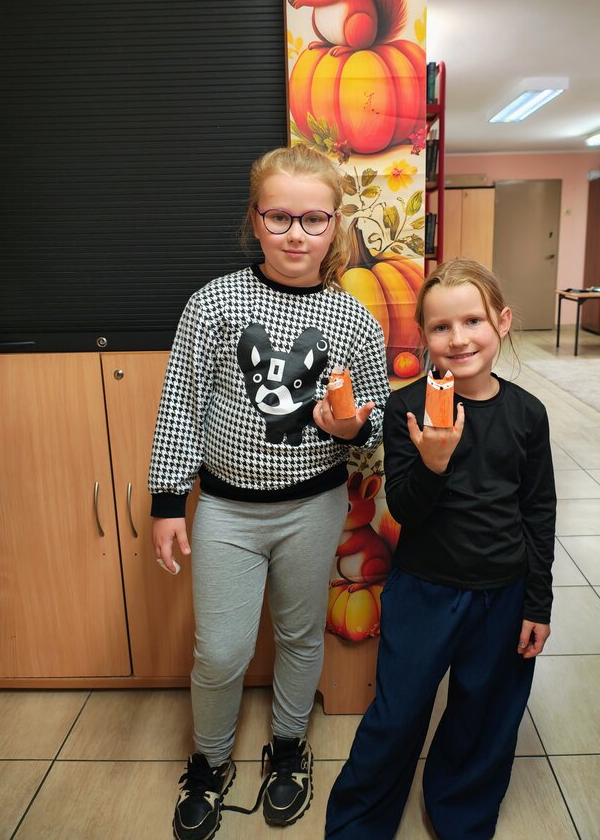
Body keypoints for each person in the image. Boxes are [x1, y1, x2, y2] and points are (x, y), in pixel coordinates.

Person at [148, 144, 390, 840]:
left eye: (313, 219)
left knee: (298, 634)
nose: (295, 234)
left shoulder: (354, 320)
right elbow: (182, 403)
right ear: (255, 219)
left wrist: (353, 426)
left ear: (335, 224)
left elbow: (375, 422)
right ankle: (209, 760)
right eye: (279, 217)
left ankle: (287, 746)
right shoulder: (214, 304)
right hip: (227, 510)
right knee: (221, 651)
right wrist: (168, 502)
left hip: (314, 507)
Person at [326, 257, 556, 839]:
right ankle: (358, 822)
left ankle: (461, 815)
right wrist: (433, 462)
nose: (458, 339)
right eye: (440, 327)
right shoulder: (406, 408)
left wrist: (537, 602)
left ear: (502, 322)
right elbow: (405, 508)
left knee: (484, 715)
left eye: (472, 321)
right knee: (397, 714)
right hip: (424, 592)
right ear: (423, 336)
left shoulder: (528, 414)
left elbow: (538, 512)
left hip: (502, 594)